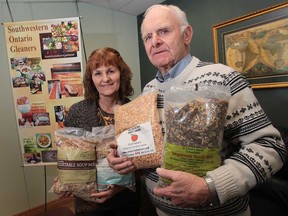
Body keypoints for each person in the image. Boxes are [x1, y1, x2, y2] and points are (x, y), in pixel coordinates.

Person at [107, 4, 287, 216]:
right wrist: (125, 156)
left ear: (187, 35)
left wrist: (211, 187)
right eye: (147, 37)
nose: (154, 41)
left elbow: (270, 147)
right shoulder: (149, 90)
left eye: (163, 31)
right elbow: (153, 150)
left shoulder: (223, 78)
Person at [63, 47, 140, 215]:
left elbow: (144, 162)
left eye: (111, 71)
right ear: (91, 79)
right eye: (98, 73)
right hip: (89, 205)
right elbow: (69, 154)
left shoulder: (135, 111)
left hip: (125, 203)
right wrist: (68, 179)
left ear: (121, 73)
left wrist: (119, 187)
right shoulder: (77, 112)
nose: (105, 79)